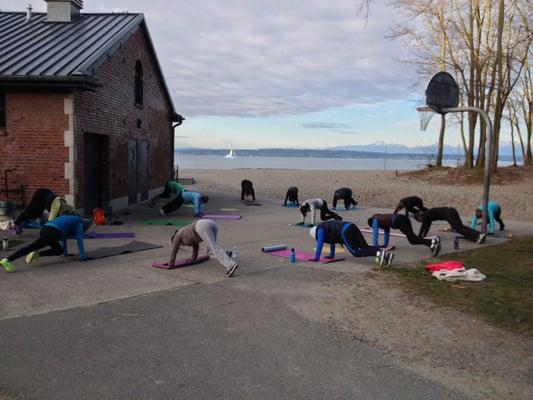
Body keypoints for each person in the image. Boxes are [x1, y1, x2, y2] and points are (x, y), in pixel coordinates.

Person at [1, 215, 89, 273]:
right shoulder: (80, 223)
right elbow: (79, 239)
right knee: (31, 247)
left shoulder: (71, 219)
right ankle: (7, 260)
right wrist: (82, 256)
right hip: (53, 232)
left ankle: (38, 254)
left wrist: (66, 253)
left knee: (59, 250)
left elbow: (64, 238)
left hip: (46, 228)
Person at [169, 219, 238, 277]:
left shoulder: (176, 237)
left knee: (213, 247)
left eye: (180, 244)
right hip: (210, 224)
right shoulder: (186, 234)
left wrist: (171, 263)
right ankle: (227, 254)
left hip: (202, 226)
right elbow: (195, 246)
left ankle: (231, 265)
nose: (182, 245)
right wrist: (193, 258)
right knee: (208, 251)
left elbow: (174, 250)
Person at [309, 220, 394, 267]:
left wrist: (316, 258)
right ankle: (384, 254)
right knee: (364, 246)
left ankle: (378, 253)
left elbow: (320, 244)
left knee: (356, 252)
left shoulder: (320, 230)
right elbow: (332, 242)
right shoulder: (325, 228)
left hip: (345, 231)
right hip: (351, 225)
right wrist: (331, 255)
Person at [8, 188, 78, 235]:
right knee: (30, 211)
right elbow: (52, 220)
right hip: (43, 195)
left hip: (46, 196)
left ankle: (18, 225)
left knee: (36, 214)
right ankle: (14, 224)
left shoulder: (66, 210)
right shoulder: (61, 211)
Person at [368, 213, 441, 256]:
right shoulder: (382, 219)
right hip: (403, 218)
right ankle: (431, 242)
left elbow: (375, 233)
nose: (375, 227)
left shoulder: (374, 220)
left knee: (413, 239)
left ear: (371, 223)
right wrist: (385, 244)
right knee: (412, 240)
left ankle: (432, 242)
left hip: (399, 221)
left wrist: (375, 246)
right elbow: (387, 232)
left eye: (373, 226)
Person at [415, 207, 486, 244]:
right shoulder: (427, 214)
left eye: (419, 221)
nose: (421, 222)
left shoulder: (424, 216)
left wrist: (419, 236)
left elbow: (423, 226)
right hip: (450, 211)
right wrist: (424, 235)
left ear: (419, 217)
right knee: (461, 227)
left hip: (448, 213)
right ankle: (479, 235)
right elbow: (427, 226)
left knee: (459, 229)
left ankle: (478, 236)